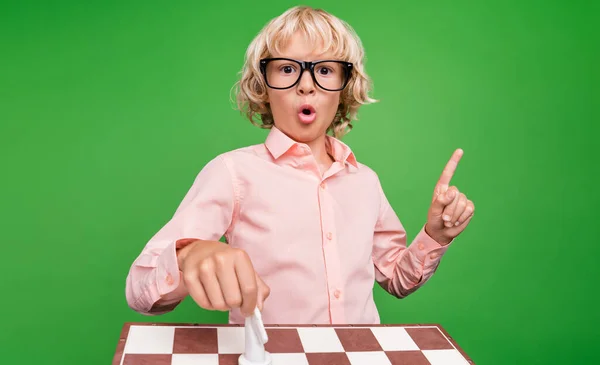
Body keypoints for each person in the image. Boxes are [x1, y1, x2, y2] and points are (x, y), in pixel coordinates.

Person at [125, 5, 475, 325]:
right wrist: (189, 255)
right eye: (288, 69)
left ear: (343, 87)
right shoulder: (232, 173)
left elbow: (397, 280)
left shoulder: (365, 181)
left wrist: (435, 236)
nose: (306, 85)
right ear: (264, 86)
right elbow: (139, 288)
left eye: (324, 70)